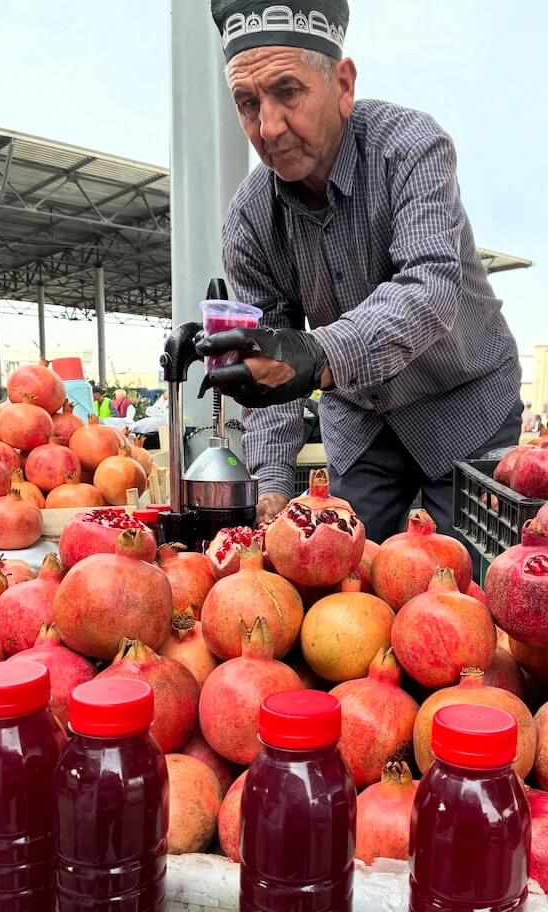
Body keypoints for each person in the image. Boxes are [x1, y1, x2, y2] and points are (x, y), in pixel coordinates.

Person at [171, 0, 522, 548]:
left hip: (463, 402)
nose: (268, 127)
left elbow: (430, 286)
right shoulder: (249, 220)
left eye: (287, 92)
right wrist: (270, 485)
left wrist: (317, 355)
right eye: (247, 103)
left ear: (342, 83)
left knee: (461, 584)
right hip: (362, 421)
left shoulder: (410, 149)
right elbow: (271, 365)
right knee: (339, 576)